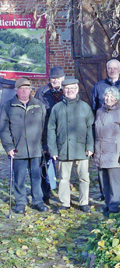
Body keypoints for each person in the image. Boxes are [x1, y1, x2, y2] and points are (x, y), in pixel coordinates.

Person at [0, 77, 48, 213]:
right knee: (19, 178)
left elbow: (44, 128)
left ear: (31, 90)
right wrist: (9, 147)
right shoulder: (8, 106)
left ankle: (38, 201)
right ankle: (20, 202)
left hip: (36, 149)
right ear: (16, 90)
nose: (24, 91)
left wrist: (44, 146)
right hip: (17, 149)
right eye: (21, 89)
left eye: (27, 88)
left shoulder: (39, 105)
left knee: (36, 177)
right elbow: (3, 129)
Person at [47, 78, 94, 213]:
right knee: (63, 178)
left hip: (82, 148)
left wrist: (90, 146)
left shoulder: (85, 107)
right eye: (67, 88)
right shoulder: (57, 108)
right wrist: (53, 149)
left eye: (73, 88)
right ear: (63, 90)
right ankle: (65, 202)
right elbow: (51, 129)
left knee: (84, 177)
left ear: (77, 89)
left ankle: (84, 202)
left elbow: (90, 127)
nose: (70, 91)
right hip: (64, 148)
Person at [91, 59, 120, 201]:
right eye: (110, 68)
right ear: (107, 69)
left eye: (115, 68)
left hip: (118, 129)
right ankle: (106, 196)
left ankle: (118, 196)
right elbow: (94, 106)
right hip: (103, 126)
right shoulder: (99, 86)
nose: (113, 70)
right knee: (103, 170)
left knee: (117, 171)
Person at [93, 86, 120, 217]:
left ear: (116, 98)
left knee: (115, 182)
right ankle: (108, 204)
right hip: (101, 153)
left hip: (115, 153)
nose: (108, 98)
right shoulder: (99, 111)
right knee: (104, 181)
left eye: (111, 96)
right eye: (106, 96)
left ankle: (114, 207)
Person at [35, 66, 66, 204]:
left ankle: (64, 193)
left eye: (58, 78)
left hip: (64, 134)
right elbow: (36, 116)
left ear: (63, 79)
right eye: (53, 78)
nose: (56, 80)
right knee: (47, 165)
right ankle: (46, 193)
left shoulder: (68, 91)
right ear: (49, 79)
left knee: (65, 165)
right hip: (47, 133)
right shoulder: (41, 92)